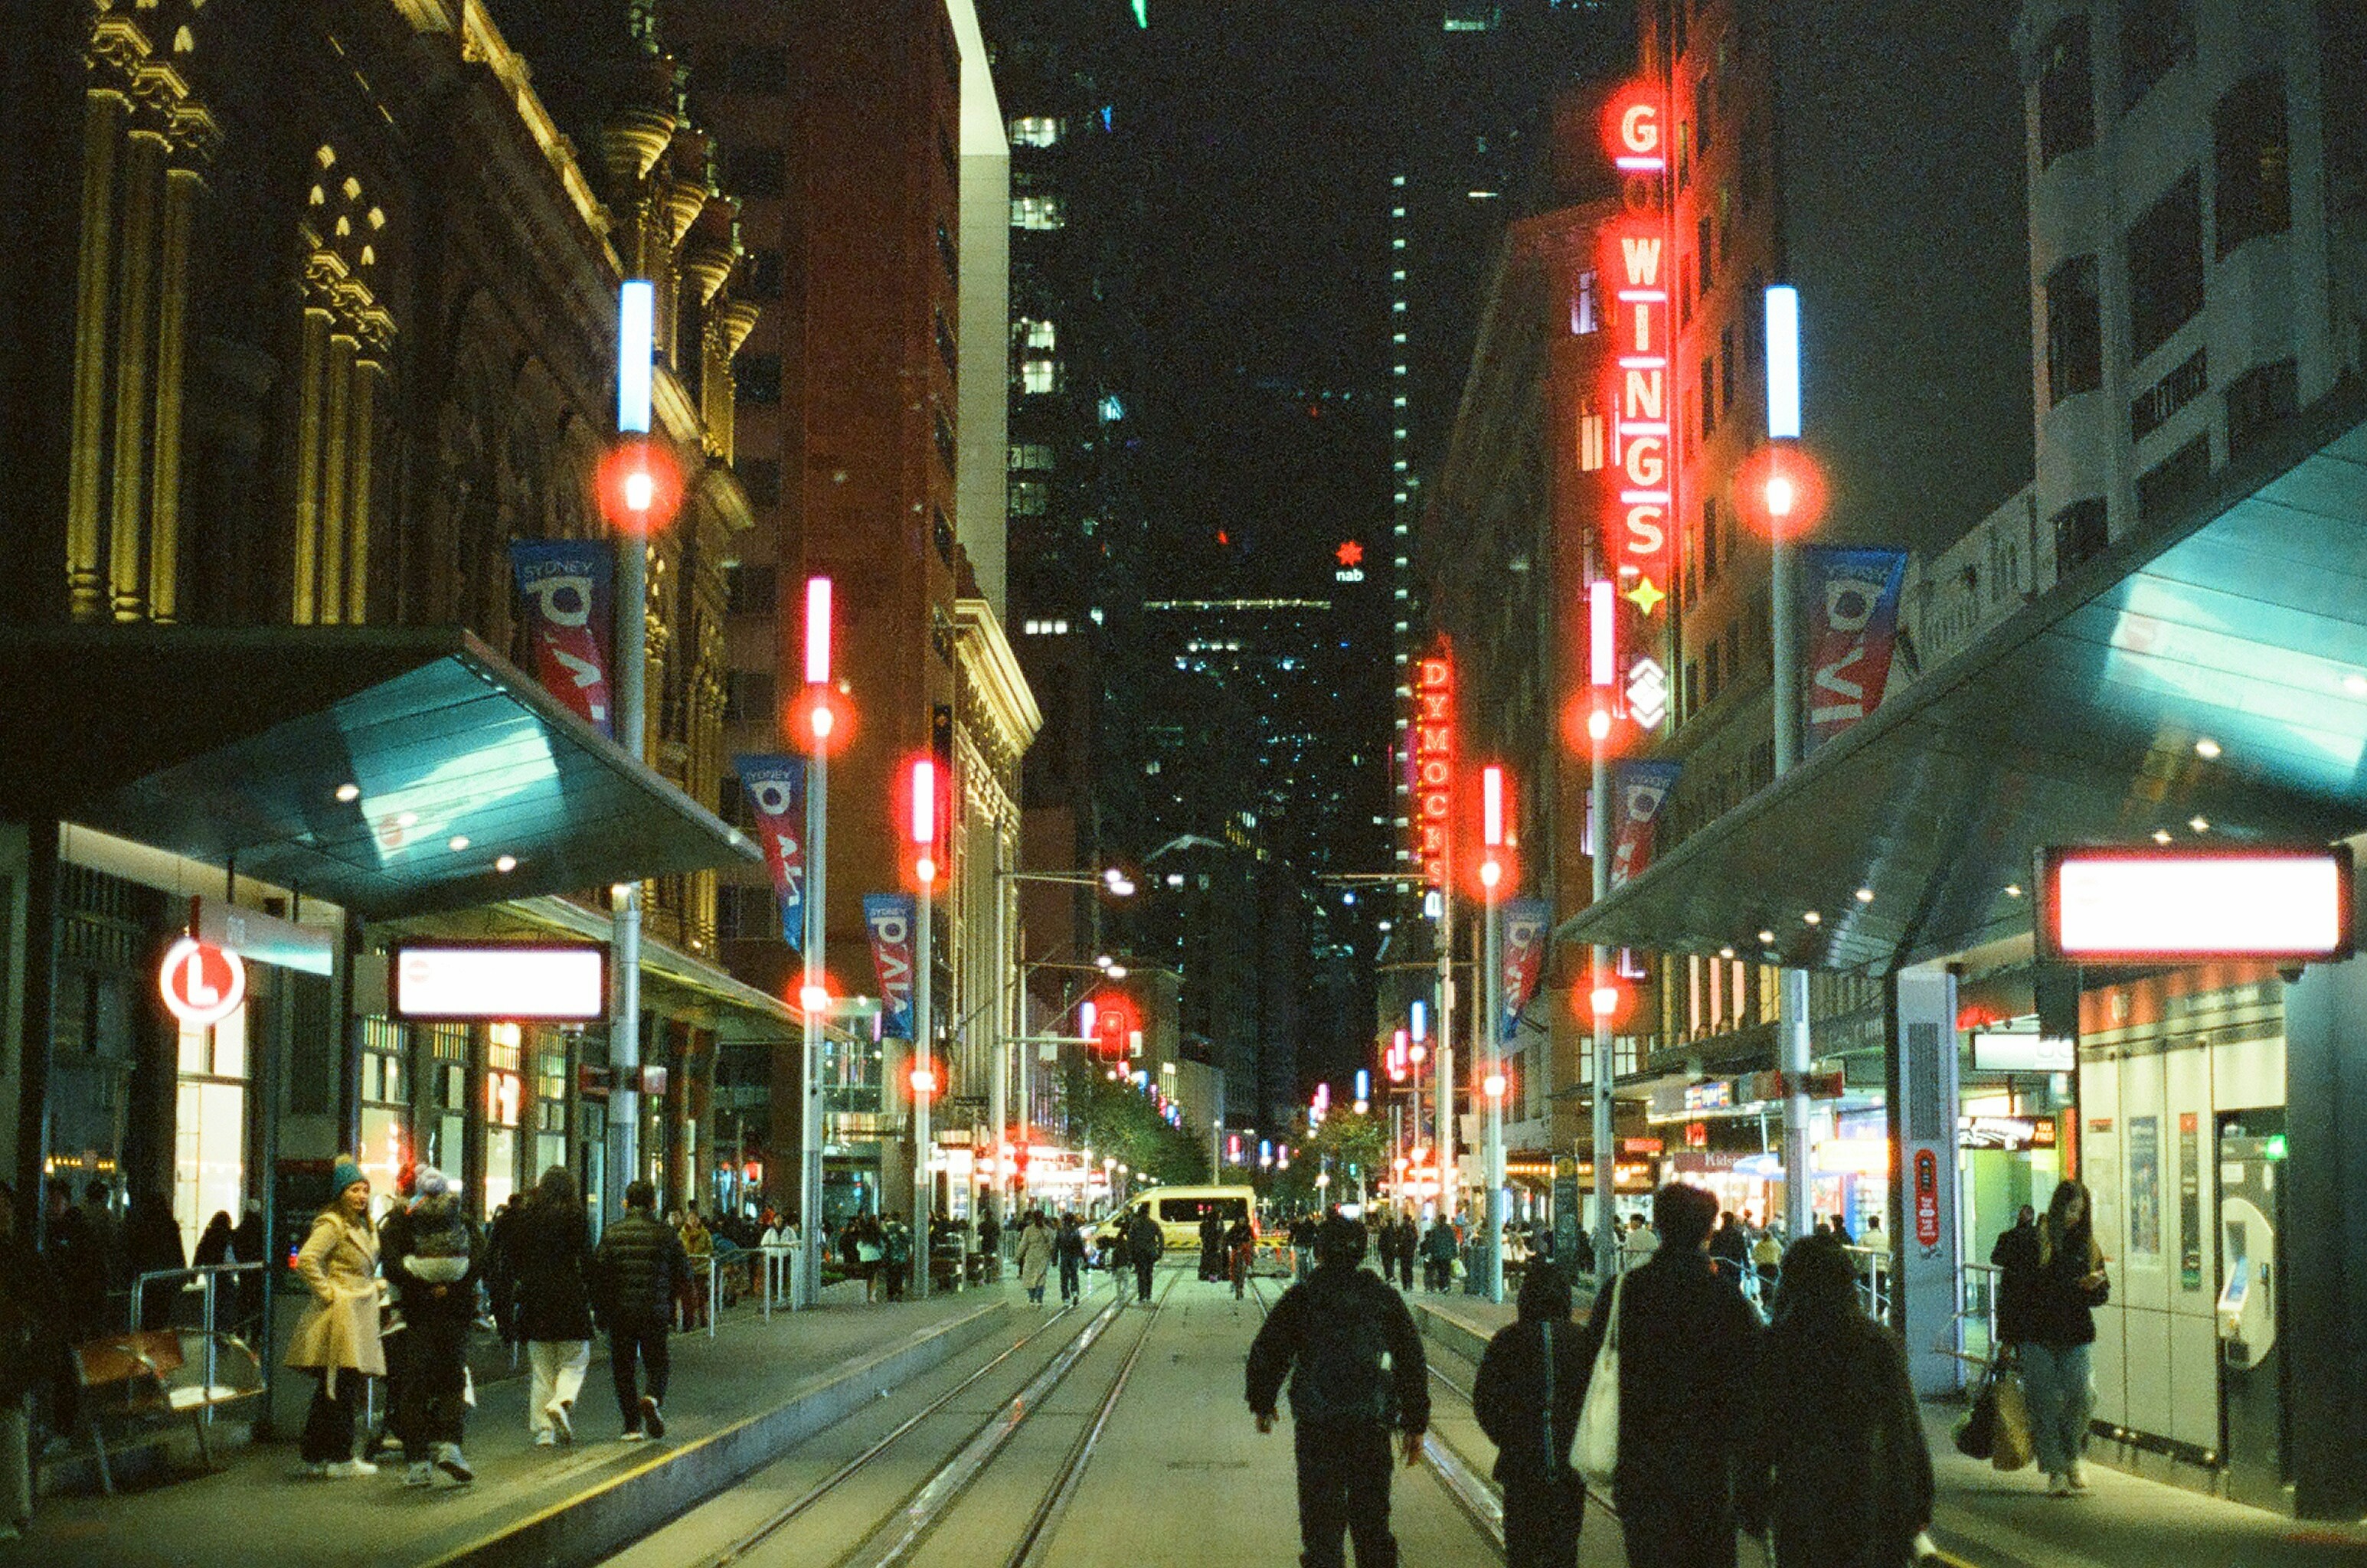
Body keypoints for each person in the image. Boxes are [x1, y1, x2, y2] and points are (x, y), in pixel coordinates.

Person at [1581, 1182, 1760, 1566]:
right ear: (1709, 1231)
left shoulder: (1623, 1291)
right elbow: (1753, 1392)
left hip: (1641, 1466)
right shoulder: (1729, 1301)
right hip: (1709, 1470)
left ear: (1658, 1226)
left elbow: (1589, 1366)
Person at [1738, 1233, 1934, 1566]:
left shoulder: (1778, 1345)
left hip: (1802, 1502)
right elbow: (1904, 1428)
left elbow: (1760, 1432)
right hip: (1870, 1500)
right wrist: (1919, 1499)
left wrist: (1752, 1500)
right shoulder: (1877, 1343)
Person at [1245, 1216, 1429, 1568]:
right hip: (1370, 1425)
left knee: (1321, 1527)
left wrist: (1263, 1403)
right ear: (1362, 1251)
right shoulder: (1382, 1298)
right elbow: (1411, 1360)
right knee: (1373, 1524)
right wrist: (1415, 1423)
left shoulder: (1303, 1296)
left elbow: (1269, 1350)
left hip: (1318, 1427)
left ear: (1319, 1251)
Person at [1473, 1261, 1591, 1568]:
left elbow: (1484, 1401)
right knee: (1564, 1547)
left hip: (1521, 1464)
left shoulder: (1507, 1340)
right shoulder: (1583, 1341)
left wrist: (1508, 1438)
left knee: (1521, 1548)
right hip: (1570, 1464)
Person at [284, 1155, 385, 1478]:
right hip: (344, 1313)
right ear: (341, 1193)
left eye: (364, 1190)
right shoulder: (333, 1224)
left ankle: (316, 1454)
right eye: (354, 1190)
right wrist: (330, 1292)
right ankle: (340, 1457)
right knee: (343, 1386)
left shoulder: (361, 1224)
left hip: (359, 1309)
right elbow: (307, 1259)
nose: (361, 1196)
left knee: (336, 1387)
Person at [386, 1166, 479, 1486]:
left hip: (417, 1313)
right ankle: (451, 1445)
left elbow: (391, 1262)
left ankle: (418, 1462)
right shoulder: (460, 1216)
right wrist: (452, 1286)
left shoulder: (402, 1220)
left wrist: (422, 1285)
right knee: (454, 1380)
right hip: (455, 1312)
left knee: (413, 1387)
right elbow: (479, 1255)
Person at [2022, 1180, 2108, 1495]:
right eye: (2072, 1209)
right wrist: (2008, 1339)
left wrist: (2095, 1287)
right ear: (2058, 1206)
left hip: (2076, 1334)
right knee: (2043, 1403)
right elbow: (2024, 1291)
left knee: (2083, 1395)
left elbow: (2102, 1295)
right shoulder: (2037, 1241)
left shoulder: (2088, 1246)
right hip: (2037, 1334)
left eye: (2081, 1211)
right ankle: (2055, 1469)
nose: (2076, 1216)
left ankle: (2072, 1454)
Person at [593, 1180, 693, 1441]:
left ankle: (632, 1426)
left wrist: (601, 1312)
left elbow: (599, 1276)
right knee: (657, 1362)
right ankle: (652, 1397)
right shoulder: (666, 1233)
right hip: (655, 1311)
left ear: (626, 1203)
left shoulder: (611, 1233)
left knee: (623, 1367)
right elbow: (684, 1273)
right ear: (654, 1203)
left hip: (620, 1313)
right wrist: (673, 1301)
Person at [506, 1166, 595, 1447]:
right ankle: (562, 1401)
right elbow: (586, 1258)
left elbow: (515, 1258)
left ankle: (544, 1431)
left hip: (535, 1298)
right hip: (568, 1295)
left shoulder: (527, 1218)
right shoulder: (577, 1217)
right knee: (575, 1357)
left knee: (542, 1368)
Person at [0, 1183, 54, 1543]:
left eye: (5, 1205)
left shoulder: (21, 1256)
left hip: (13, 1362)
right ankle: (14, 1509)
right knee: (12, 1430)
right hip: (15, 1362)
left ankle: (12, 1510)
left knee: (12, 1428)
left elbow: (48, 1307)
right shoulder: (23, 1255)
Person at [123, 1187, 185, 1331]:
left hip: (147, 1279)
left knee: (146, 1318)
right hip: (165, 1279)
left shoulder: (141, 1225)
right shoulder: (170, 1225)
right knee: (161, 1318)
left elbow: (133, 1252)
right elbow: (177, 1251)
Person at [1988, 1204, 2041, 1354]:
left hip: (2010, 1293)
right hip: (2031, 1295)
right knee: (2027, 1342)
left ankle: (2000, 1371)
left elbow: (1996, 1259)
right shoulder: (2038, 1239)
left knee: (2008, 1339)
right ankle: (2022, 1370)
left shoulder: (2006, 1237)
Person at [678, 1204, 714, 1328]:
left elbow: (709, 1249)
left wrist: (699, 1258)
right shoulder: (681, 1234)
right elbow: (679, 1250)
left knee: (701, 1296)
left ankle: (704, 1319)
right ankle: (688, 1322)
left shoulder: (705, 1234)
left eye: (695, 1218)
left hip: (701, 1270)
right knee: (687, 1297)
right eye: (690, 1218)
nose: (693, 1221)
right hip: (686, 1269)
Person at [1017, 1210, 1056, 1305]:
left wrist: (1018, 1256)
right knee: (1035, 1277)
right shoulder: (1030, 1230)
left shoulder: (1045, 1231)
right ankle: (1035, 1298)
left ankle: (1036, 1298)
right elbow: (1024, 1244)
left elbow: (1023, 1245)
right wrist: (1018, 1256)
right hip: (1036, 1257)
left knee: (1036, 1278)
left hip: (1039, 1257)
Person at [1126, 1204, 1163, 1302]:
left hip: (1138, 1253)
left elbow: (1130, 1240)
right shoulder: (1153, 1224)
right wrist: (1159, 1251)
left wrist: (1130, 1254)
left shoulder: (1135, 1224)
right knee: (1148, 1273)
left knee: (1140, 1274)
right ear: (1147, 1213)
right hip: (1150, 1252)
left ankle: (1141, 1294)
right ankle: (1148, 1294)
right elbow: (1161, 1237)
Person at [1708, 1210, 1750, 1289]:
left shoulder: (1717, 1235)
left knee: (1721, 1288)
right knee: (1734, 1288)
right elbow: (1743, 1252)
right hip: (1734, 1265)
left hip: (1721, 1266)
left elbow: (1711, 1250)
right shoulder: (1738, 1234)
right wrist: (1747, 1267)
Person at [1421, 1215, 1459, 1292]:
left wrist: (1430, 1252)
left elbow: (1432, 1242)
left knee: (1440, 1271)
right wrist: (1454, 1253)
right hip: (1447, 1254)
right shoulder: (1449, 1229)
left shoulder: (1436, 1230)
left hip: (1438, 1255)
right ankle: (1446, 1286)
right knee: (1446, 1271)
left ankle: (1442, 1287)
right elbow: (1453, 1242)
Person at [1055, 1213, 1087, 1305]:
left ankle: (1066, 1298)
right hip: (1074, 1257)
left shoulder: (1060, 1232)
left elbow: (1056, 1246)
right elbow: (1080, 1246)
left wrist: (1054, 1259)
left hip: (1064, 1257)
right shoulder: (1076, 1231)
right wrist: (1084, 1257)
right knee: (1074, 1275)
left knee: (1064, 1278)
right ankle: (1075, 1292)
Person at [881, 1212, 912, 1302]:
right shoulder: (903, 1228)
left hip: (889, 1256)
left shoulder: (886, 1228)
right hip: (901, 1256)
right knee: (900, 1275)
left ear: (891, 1218)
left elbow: (883, 1239)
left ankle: (890, 1294)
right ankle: (899, 1293)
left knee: (890, 1275)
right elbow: (909, 1240)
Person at [1224, 1213, 1256, 1299]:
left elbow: (1253, 1238)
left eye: (1243, 1219)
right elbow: (1229, 1237)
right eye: (1240, 1219)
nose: (1242, 1221)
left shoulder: (1249, 1228)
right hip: (1236, 1249)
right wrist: (1233, 1245)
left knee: (1247, 1262)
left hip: (1245, 1250)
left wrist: (1250, 1243)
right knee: (1233, 1264)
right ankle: (1234, 1282)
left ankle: (1249, 1266)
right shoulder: (1234, 1228)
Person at [1198, 1209, 1228, 1283]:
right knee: (1215, 1261)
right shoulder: (1218, 1223)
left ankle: (1207, 1275)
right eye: (1220, 1214)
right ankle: (1214, 1276)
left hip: (1209, 1245)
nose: (1221, 1215)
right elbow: (1220, 1233)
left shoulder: (1206, 1224)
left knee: (1209, 1261)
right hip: (1213, 1245)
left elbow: (1202, 1235)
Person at [978, 1210, 1003, 1283]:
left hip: (985, 1245)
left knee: (985, 1261)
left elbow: (980, 1233)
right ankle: (994, 1276)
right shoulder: (995, 1224)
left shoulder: (983, 1224)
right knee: (993, 1260)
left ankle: (986, 1277)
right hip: (993, 1244)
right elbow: (998, 1233)